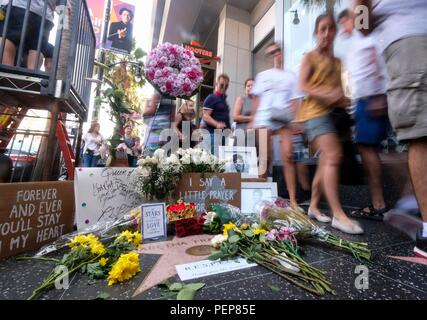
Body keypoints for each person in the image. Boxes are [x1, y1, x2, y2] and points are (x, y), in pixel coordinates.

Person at [353, 0, 427, 257]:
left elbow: (364, 29)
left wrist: (374, 94)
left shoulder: (366, 35)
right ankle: (402, 198)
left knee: (416, 137)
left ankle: (384, 203)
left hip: (409, 43)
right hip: (410, 42)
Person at [297, 14, 363, 234]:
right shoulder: (309, 57)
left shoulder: (337, 62)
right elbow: (303, 86)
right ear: (317, 32)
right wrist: (326, 94)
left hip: (332, 117)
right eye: (322, 29)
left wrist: (346, 100)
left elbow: (339, 94)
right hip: (312, 114)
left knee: (327, 159)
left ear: (335, 32)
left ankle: (314, 207)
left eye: (330, 29)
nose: (326, 34)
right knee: (334, 155)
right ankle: (338, 215)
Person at [338, 9, 389, 220]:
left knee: (367, 148)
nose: (344, 28)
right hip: (365, 99)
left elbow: (373, 61)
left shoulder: (363, 37)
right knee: (372, 148)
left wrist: (376, 96)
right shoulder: (357, 41)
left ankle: (379, 204)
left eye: (344, 23)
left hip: (370, 98)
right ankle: (405, 193)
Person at [250, 42, 303, 210]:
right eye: (270, 53)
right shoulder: (262, 76)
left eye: (276, 51)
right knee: (265, 159)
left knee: (288, 155)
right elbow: (256, 99)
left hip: (284, 117)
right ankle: (258, 202)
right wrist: (253, 119)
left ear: (282, 53)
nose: (274, 55)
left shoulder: (290, 76)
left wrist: (295, 120)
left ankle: (293, 201)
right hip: (264, 117)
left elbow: (295, 100)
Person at [0, 0, 55, 68]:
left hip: (18, 5)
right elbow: (65, 5)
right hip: (45, 14)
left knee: (7, 38)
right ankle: (32, 75)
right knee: (37, 48)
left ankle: (6, 73)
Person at [202, 74, 232, 155]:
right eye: (222, 85)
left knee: (218, 163)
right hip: (213, 135)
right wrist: (217, 124)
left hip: (222, 137)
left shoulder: (223, 100)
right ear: (216, 84)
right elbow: (205, 116)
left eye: (226, 86)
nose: (224, 87)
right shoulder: (211, 98)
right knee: (213, 163)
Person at [232, 79, 255, 147]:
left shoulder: (258, 102)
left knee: (253, 156)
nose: (250, 87)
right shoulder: (241, 99)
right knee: (239, 156)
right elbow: (235, 117)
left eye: (253, 86)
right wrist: (251, 118)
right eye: (248, 86)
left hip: (253, 137)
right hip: (241, 135)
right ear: (245, 88)